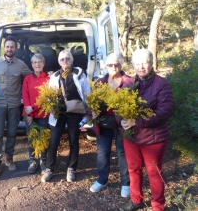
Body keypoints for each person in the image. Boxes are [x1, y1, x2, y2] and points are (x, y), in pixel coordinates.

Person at [119, 49, 173, 211]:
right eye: (137, 63)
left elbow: (164, 112)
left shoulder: (161, 84)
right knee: (133, 170)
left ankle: (158, 205)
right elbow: (118, 107)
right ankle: (136, 200)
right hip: (131, 138)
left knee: (154, 172)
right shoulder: (128, 83)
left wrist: (136, 121)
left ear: (151, 63)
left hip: (153, 139)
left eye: (144, 63)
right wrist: (121, 120)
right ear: (133, 65)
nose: (141, 66)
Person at [0, 35, 32, 178]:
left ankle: (9, 159)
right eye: (7, 46)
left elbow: (31, 78)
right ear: (4, 48)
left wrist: (47, 76)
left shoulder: (21, 64)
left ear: (16, 49)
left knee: (12, 133)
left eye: (12, 47)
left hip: (15, 106)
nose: (10, 49)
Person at [41, 50, 91, 182]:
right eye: (62, 59)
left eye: (67, 58)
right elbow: (50, 94)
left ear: (72, 60)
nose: (65, 61)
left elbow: (87, 92)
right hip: (59, 112)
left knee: (73, 140)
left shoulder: (79, 74)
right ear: (59, 62)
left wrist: (89, 111)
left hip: (75, 111)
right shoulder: (55, 76)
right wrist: (51, 106)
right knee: (54, 141)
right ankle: (49, 169)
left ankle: (71, 168)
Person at [89, 53, 131, 197]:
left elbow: (136, 103)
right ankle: (102, 180)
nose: (114, 67)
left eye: (117, 64)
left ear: (121, 65)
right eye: (110, 65)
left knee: (122, 152)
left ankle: (126, 183)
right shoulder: (100, 82)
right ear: (105, 66)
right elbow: (91, 104)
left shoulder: (129, 82)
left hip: (122, 125)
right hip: (104, 123)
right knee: (102, 152)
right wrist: (92, 112)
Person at [22, 54, 50, 174]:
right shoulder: (27, 78)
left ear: (43, 64)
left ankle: (43, 160)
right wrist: (29, 112)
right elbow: (25, 95)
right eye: (34, 62)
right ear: (32, 65)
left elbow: (48, 98)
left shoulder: (49, 78)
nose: (37, 64)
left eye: (39, 62)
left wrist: (34, 108)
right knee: (31, 137)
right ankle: (32, 160)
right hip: (30, 114)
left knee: (43, 137)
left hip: (44, 113)